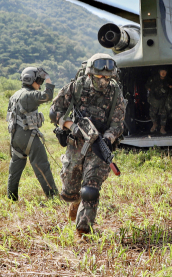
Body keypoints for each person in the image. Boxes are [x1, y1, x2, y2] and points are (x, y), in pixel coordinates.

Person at [50, 53, 125, 235]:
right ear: (90, 74)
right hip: (76, 143)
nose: (103, 81)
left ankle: (83, 232)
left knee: (90, 190)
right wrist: (71, 126)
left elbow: (118, 124)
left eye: (107, 77)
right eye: (99, 76)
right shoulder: (76, 87)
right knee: (69, 190)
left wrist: (106, 139)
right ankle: (75, 201)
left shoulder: (115, 92)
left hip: (98, 147)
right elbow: (55, 112)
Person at [6, 67, 58, 201]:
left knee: (15, 169)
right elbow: (48, 95)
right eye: (39, 80)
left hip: (15, 137)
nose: (40, 84)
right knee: (42, 166)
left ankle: (11, 197)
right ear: (31, 80)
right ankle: (53, 196)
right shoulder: (29, 95)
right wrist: (48, 79)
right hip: (29, 136)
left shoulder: (15, 95)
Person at [145, 68, 172, 134]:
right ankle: (154, 124)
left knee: (164, 114)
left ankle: (162, 128)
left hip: (163, 100)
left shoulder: (168, 80)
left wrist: (171, 87)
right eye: (162, 71)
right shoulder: (154, 79)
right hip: (154, 99)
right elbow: (147, 86)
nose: (163, 73)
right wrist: (150, 90)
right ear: (159, 72)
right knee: (152, 113)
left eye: (165, 71)